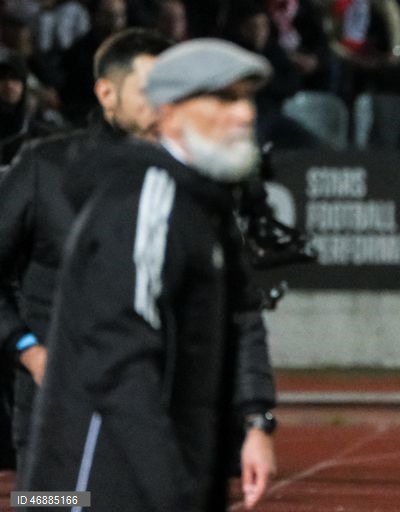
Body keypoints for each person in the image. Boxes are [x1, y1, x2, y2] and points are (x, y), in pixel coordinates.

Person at [21, 38, 277, 511]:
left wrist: (255, 420)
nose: (243, 115)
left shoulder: (205, 204)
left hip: (161, 473)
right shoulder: (147, 201)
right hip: (97, 485)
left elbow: (242, 317)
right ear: (169, 113)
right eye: (222, 98)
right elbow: (120, 362)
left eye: (246, 98)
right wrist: (173, 493)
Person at [0, 27, 171, 478]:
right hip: (54, 400)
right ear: (106, 92)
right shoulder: (44, 166)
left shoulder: (188, 179)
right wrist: (28, 349)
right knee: (50, 505)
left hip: (149, 403)